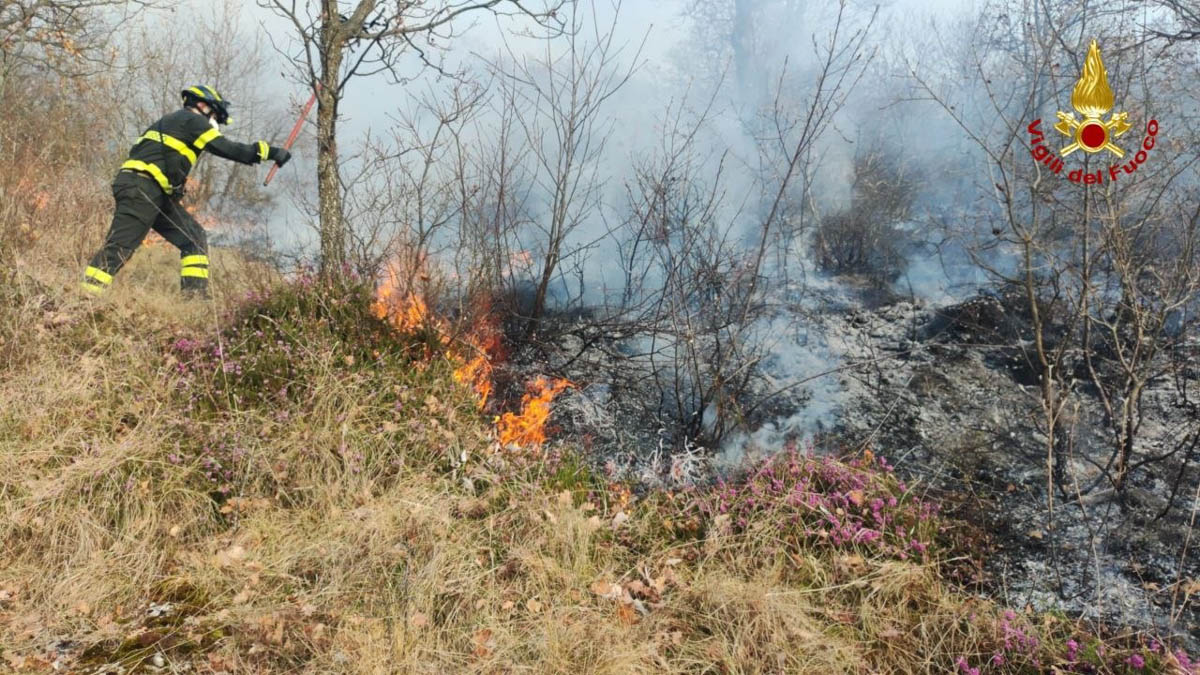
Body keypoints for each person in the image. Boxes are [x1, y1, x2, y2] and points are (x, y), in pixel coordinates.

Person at [81, 85, 291, 297]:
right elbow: (229, 149)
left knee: (194, 238)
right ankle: (86, 296)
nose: (214, 122)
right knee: (121, 245)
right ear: (202, 105)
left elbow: (165, 162)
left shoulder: (171, 122)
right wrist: (270, 152)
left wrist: (175, 187)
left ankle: (194, 297)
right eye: (215, 116)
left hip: (153, 191)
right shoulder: (193, 121)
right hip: (142, 188)